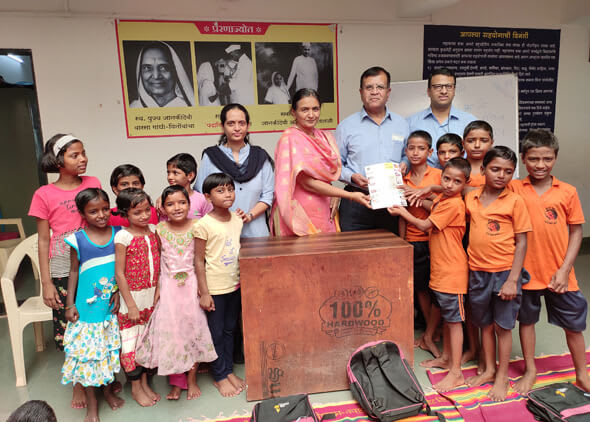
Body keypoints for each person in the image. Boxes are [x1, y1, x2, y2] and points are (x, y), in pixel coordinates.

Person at [508, 130, 590, 394]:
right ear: (523, 158)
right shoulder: (514, 187)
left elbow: (576, 231)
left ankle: (582, 374)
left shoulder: (567, 191)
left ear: (555, 158)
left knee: (574, 325)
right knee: (527, 321)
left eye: (547, 159)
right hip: (526, 272)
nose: (540, 165)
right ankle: (530, 370)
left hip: (559, 273)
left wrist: (565, 269)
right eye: (533, 159)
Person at [28, 133, 102, 409]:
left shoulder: (93, 183)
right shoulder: (44, 194)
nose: (83, 159)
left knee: (97, 317)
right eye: (74, 155)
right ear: (58, 161)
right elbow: (43, 240)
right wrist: (46, 282)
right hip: (61, 262)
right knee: (70, 322)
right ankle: (78, 383)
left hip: (93, 257)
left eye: (83, 153)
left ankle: (102, 377)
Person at [388, 158, 471, 392]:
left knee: (454, 322)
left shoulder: (453, 204)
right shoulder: (443, 197)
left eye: (457, 181)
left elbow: (425, 226)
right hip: (440, 269)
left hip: (452, 272)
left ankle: (456, 372)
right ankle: (445, 358)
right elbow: (437, 191)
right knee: (447, 317)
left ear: (466, 183)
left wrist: (402, 211)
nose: (449, 185)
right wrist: (430, 188)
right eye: (446, 179)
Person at [135, 186, 217, 401]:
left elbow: (201, 259)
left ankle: (191, 380)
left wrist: (203, 288)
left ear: (189, 205)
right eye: (170, 204)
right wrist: (158, 288)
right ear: (162, 208)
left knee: (193, 329)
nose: (177, 207)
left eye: (182, 202)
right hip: (169, 288)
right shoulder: (160, 229)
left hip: (191, 286)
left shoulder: (198, 225)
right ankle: (176, 382)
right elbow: (160, 260)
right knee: (172, 333)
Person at [464, 146, 532, 401]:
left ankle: (502, 376)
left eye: (508, 171)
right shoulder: (471, 198)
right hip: (477, 271)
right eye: (495, 169)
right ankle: (489, 369)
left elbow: (522, 242)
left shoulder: (515, 201)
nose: (501, 175)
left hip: (504, 273)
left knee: (503, 327)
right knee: (485, 324)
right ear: (483, 169)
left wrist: (513, 280)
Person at [271, 88, 371, 236]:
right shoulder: (290, 138)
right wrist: (350, 195)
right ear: (293, 112)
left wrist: (334, 193)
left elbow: (324, 178)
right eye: (304, 110)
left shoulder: (323, 137)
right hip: (300, 211)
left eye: (315, 109)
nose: (311, 115)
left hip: (325, 207)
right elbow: (306, 182)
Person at [62, 188, 124, 422]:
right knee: (89, 356)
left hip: (109, 309)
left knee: (108, 351)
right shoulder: (78, 240)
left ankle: (107, 392)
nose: (101, 215)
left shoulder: (119, 234)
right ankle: (92, 404)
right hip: (86, 312)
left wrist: (117, 291)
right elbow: (72, 272)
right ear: (82, 214)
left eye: (105, 209)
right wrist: (69, 305)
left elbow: (122, 269)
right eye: (93, 211)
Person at [336, 66, 409, 234]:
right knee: (354, 249)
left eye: (380, 87)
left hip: (391, 201)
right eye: (369, 87)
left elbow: (407, 155)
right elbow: (335, 164)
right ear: (361, 92)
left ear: (388, 92)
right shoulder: (346, 127)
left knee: (392, 248)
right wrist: (351, 176)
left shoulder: (402, 124)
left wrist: (406, 163)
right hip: (357, 199)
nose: (374, 92)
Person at [194, 173, 245, 397]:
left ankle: (228, 371)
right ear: (208, 197)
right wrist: (204, 293)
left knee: (230, 330)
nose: (227, 194)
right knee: (215, 334)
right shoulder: (203, 225)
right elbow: (198, 260)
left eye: (230, 189)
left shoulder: (237, 219)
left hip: (235, 285)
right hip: (214, 289)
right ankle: (219, 376)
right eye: (220, 191)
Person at [195, 103, 274, 238]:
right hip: (220, 234)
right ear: (222, 126)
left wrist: (249, 216)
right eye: (231, 123)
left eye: (241, 123)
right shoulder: (211, 156)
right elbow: (200, 194)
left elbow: (268, 195)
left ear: (248, 126)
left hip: (256, 234)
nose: (237, 128)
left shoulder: (260, 156)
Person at [113, 188, 161, 407]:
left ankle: (143, 384)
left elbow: (160, 263)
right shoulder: (123, 237)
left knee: (145, 341)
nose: (144, 216)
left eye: (146, 210)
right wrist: (131, 305)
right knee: (131, 344)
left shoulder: (154, 232)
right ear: (125, 214)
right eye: (137, 213)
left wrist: (158, 290)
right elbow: (119, 273)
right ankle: (135, 388)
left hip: (150, 296)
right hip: (132, 299)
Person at [399, 131, 442, 358]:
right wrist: (402, 241)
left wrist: (418, 195)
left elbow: (443, 207)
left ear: (430, 151)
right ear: (406, 151)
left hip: (437, 239)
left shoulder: (438, 176)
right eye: (411, 148)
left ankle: (435, 332)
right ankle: (429, 332)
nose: (415, 152)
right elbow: (401, 214)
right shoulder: (402, 179)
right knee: (421, 290)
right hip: (413, 240)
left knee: (438, 289)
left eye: (421, 148)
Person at [406, 68, 476, 168]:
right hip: (422, 178)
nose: (444, 91)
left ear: (454, 90)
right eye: (438, 87)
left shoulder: (470, 122)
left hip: (461, 177)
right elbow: (404, 156)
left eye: (449, 86)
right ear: (428, 91)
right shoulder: (410, 123)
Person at [129, 41, 194, 108]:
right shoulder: (134, 107)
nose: (156, 76)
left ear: (175, 70)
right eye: (147, 68)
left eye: (163, 68)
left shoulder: (188, 106)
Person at [163, 153, 212, 220]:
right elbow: (163, 224)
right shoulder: (165, 200)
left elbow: (211, 223)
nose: (170, 177)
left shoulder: (203, 200)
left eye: (175, 173)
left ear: (190, 176)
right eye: (168, 173)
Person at [463, 120, 494, 187]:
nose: (477, 145)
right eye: (471, 141)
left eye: (484, 141)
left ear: (491, 143)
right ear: (463, 143)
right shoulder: (455, 167)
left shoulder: (497, 170)